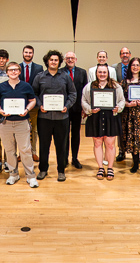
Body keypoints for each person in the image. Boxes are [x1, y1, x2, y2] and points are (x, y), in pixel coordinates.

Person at [33, 50, 78, 182]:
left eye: (56, 60)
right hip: (44, 118)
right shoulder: (39, 77)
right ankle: (43, 169)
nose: (53, 62)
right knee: (44, 145)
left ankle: (61, 171)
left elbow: (73, 94)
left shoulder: (65, 77)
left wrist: (67, 106)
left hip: (62, 118)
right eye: (51, 60)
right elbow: (34, 94)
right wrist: (40, 105)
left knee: (61, 145)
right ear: (47, 61)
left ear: (59, 62)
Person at [0, 62, 38, 187]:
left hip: (22, 122)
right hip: (5, 123)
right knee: (9, 150)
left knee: (25, 149)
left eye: (16, 70)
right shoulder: (1, 87)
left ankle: (30, 176)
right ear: (7, 72)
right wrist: (0, 110)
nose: (13, 72)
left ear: (19, 72)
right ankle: (13, 174)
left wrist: (27, 110)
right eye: (11, 70)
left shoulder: (26, 86)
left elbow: (32, 100)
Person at [81, 63, 126, 180]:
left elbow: (122, 100)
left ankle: (110, 168)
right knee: (97, 143)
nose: (102, 74)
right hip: (95, 117)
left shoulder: (116, 86)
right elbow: (84, 100)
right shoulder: (89, 86)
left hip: (111, 117)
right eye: (100, 72)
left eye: (104, 72)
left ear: (108, 73)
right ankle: (100, 167)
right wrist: (89, 109)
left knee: (110, 144)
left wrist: (118, 108)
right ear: (96, 73)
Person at [63, 51, 89, 168]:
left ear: (76, 59)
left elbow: (85, 91)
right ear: (64, 60)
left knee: (76, 134)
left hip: (78, 108)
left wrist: (84, 107)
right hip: (64, 108)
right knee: (64, 134)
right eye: (68, 58)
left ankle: (75, 158)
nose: (70, 60)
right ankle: (64, 158)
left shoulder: (82, 72)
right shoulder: (60, 72)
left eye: (72, 58)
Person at [20, 45, 44, 159]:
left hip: (33, 103)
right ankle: (20, 153)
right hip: (19, 104)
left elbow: (40, 86)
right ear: (22, 53)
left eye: (30, 52)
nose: (28, 54)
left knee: (33, 129)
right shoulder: (17, 67)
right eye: (26, 52)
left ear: (33, 54)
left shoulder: (39, 68)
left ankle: (33, 152)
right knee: (20, 129)